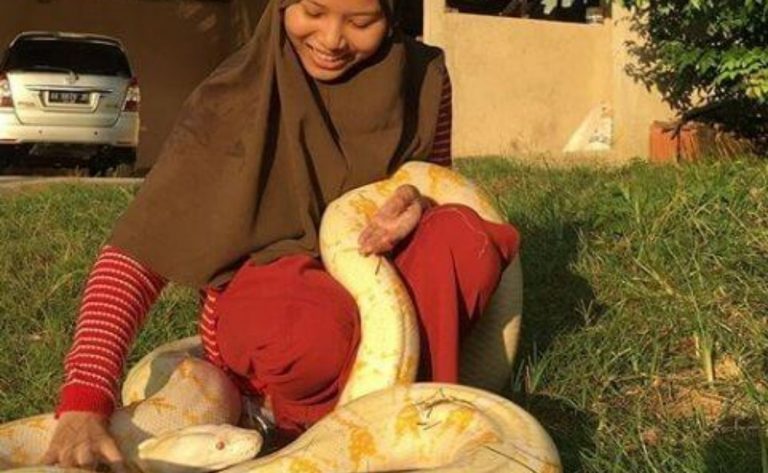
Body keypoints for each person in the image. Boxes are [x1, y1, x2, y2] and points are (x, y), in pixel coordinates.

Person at [41, 0, 521, 471]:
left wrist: (415, 201)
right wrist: (85, 399)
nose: (332, 40)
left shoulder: (424, 78)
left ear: (391, 15)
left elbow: (434, 179)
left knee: (463, 241)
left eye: (361, 21)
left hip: (375, 271)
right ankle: (306, 424)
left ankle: (412, 414)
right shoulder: (231, 97)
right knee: (302, 332)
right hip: (278, 293)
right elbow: (137, 253)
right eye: (313, 12)